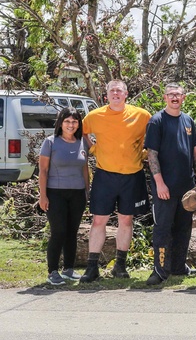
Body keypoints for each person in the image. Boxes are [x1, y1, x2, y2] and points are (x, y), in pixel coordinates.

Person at [80, 79, 151, 283]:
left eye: (120, 91)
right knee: (98, 220)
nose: (116, 94)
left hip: (132, 175)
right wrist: (92, 148)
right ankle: (92, 267)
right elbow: (81, 131)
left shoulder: (141, 115)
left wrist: (144, 152)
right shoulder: (95, 116)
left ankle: (120, 266)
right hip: (105, 175)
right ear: (107, 95)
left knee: (126, 220)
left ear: (126, 94)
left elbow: (154, 133)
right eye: (112, 91)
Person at [144, 83, 196, 285]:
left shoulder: (188, 121)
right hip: (165, 188)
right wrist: (159, 183)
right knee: (162, 229)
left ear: (183, 97)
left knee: (184, 228)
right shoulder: (156, 121)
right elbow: (152, 155)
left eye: (178, 95)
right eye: (171, 95)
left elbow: (195, 153)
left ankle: (178, 267)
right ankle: (160, 270)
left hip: (186, 187)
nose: (175, 98)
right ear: (165, 98)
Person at [38, 107, 90, 286]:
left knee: (71, 233)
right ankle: (52, 271)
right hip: (55, 193)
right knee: (58, 231)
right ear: (60, 123)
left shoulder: (82, 142)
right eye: (67, 121)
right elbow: (43, 171)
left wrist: (87, 191)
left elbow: (84, 168)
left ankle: (68, 269)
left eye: (74, 121)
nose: (71, 124)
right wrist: (43, 196)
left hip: (77, 194)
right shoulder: (50, 142)